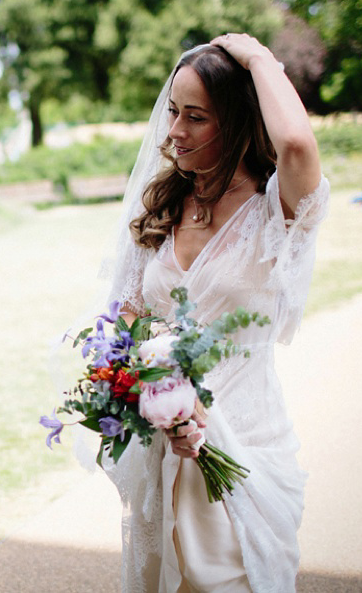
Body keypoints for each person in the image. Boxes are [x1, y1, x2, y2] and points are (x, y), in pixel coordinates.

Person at [101, 34, 328, 592]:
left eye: (196, 117)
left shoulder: (278, 210)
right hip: (165, 450)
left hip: (245, 447)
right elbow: (126, 323)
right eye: (173, 112)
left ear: (237, 121)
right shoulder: (160, 206)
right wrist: (159, 398)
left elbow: (297, 143)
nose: (174, 130)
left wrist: (257, 58)